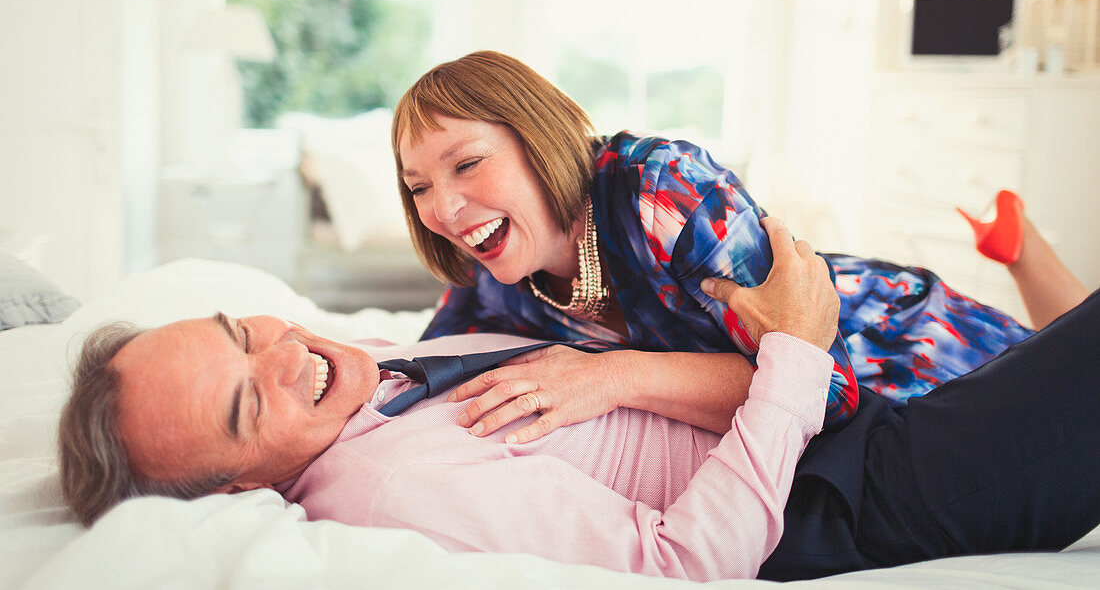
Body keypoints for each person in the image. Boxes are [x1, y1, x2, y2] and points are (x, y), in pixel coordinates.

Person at [57, 217, 1100, 581]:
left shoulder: (371, 379)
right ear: (240, 483)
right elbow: (685, 565)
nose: (283, 354)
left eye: (249, 331)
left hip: (829, 425)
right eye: (247, 402)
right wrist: (794, 347)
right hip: (849, 497)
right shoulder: (385, 490)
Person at [392, 50, 1085, 443]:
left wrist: (611, 375)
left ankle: (1019, 242)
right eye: (418, 186)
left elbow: (822, 385)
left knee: (1076, 369)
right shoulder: (487, 279)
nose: (443, 210)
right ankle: (1016, 239)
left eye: (467, 164)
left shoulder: (658, 189)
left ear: (535, 134)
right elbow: (409, 376)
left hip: (892, 337)